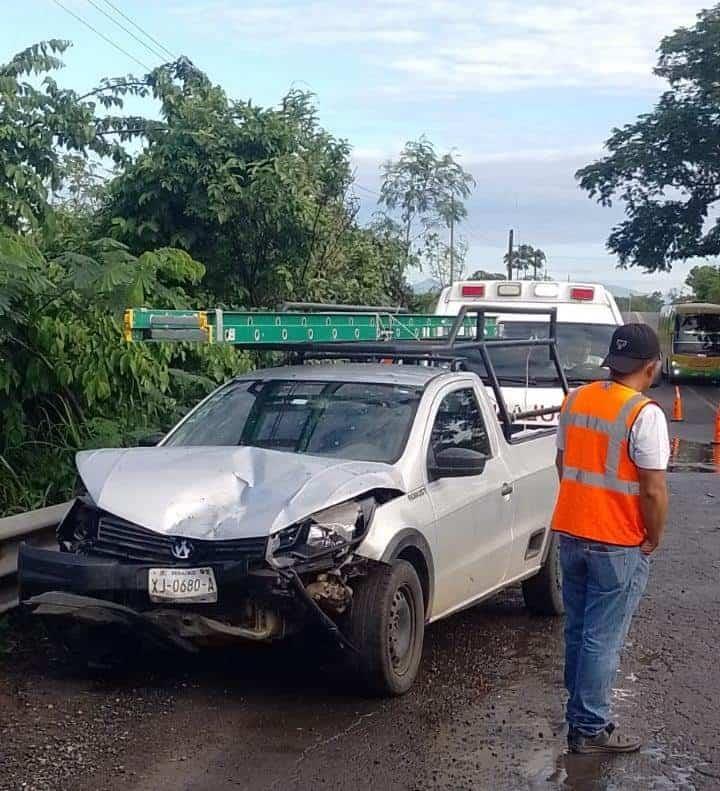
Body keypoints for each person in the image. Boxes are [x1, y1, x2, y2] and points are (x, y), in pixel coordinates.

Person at [552, 323, 670, 755]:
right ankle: (590, 726)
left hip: (573, 532)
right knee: (603, 637)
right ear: (651, 366)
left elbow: (563, 463)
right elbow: (653, 490)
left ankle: (579, 716)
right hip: (618, 540)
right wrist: (652, 537)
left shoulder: (577, 399)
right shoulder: (645, 414)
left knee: (579, 630)